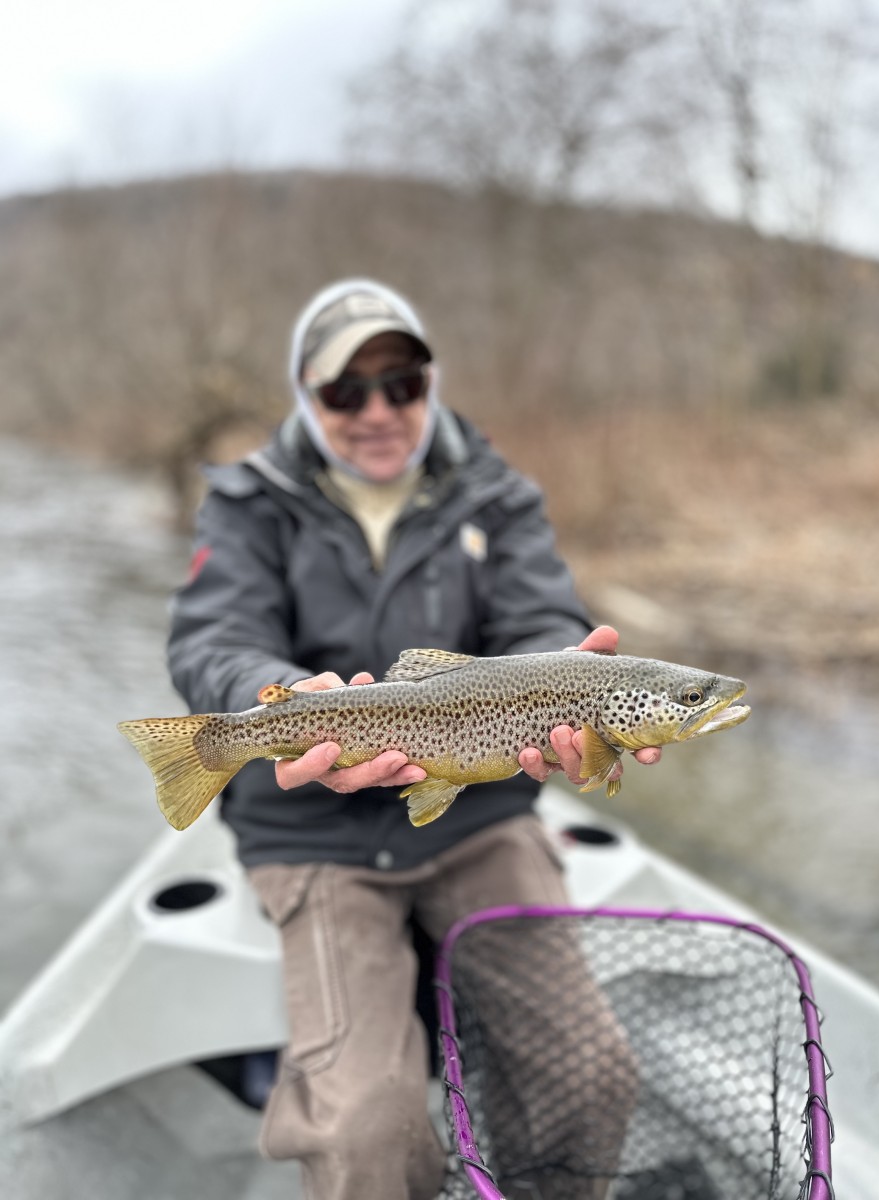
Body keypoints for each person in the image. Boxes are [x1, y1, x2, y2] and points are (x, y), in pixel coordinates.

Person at [167, 278, 661, 1199]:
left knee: (593, 1076)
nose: (379, 410)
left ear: (431, 382)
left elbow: (542, 620)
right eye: (345, 391)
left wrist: (565, 674)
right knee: (365, 1129)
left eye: (403, 381)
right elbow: (212, 639)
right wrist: (269, 702)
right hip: (310, 828)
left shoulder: (500, 496)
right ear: (306, 398)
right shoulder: (246, 501)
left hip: (479, 818)